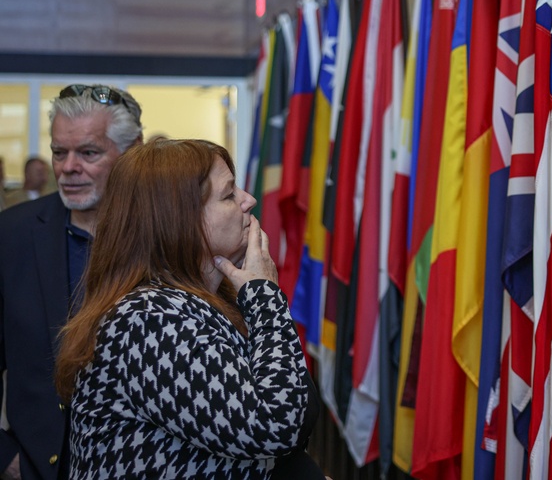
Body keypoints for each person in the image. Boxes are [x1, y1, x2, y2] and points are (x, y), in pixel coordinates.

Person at [54, 139, 323, 479]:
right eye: (228, 195)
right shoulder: (145, 321)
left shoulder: (217, 299)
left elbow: (288, 416)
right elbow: (274, 425)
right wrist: (264, 293)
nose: (248, 201)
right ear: (179, 219)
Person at [0, 84, 143, 480]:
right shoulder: (12, 235)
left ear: (132, 152)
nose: (68, 167)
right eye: (59, 152)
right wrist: (8, 460)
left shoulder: (166, 237)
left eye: (88, 152)